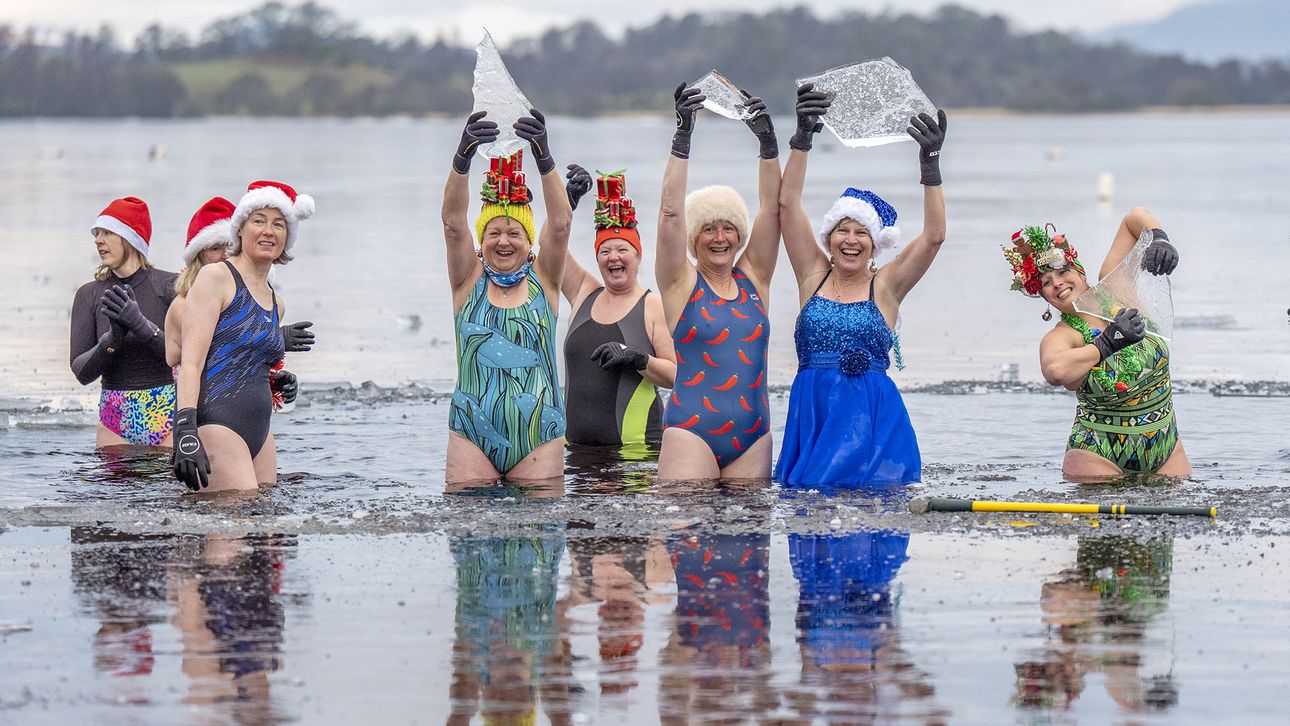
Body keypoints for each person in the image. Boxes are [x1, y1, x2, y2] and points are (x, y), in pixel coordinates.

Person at [775, 84, 949, 489]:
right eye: (842, 231)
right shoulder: (811, 275)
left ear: (874, 245)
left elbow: (934, 236)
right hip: (815, 417)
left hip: (873, 423)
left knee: (872, 515)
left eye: (861, 233)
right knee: (809, 509)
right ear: (828, 239)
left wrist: (931, 165)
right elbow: (786, 206)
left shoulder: (886, 286)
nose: (850, 240)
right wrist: (801, 139)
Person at [1003, 208, 1189, 480]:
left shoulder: (1118, 291)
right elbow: (1054, 370)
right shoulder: (1064, 336)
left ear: (1079, 271)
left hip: (1167, 448)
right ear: (1044, 297)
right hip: (1099, 454)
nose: (1058, 284)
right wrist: (1105, 345)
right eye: (1046, 283)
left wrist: (1160, 238)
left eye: (1062, 271)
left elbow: (1132, 220)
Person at [655, 83, 782, 481]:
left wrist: (768, 144)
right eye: (708, 229)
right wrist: (683, 136)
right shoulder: (680, 283)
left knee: (747, 540)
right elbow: (670, 215)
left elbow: (772, 212)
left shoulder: (754, 278)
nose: (720, 237)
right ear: (694, 239)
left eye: (729, 228)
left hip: (753, 436)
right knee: (687, 538)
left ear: (740, 235)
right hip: (692, 432)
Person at [441, 109, 572, 483]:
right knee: (469, 532)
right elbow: (452, 224)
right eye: (493, 232)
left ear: (530, 242)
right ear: (480, 242)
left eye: (514, 233)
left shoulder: (545, 281)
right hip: (470, 431)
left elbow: (561, 225)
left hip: (540, 433)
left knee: (538, 536)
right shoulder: (467, 281)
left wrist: (544, 157)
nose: (503, 240)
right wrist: (462, 156)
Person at [172, 181, 315, 491]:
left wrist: (276, 382)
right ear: (239, 229)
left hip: (260, 434)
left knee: (270, 532)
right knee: (232, 525)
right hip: (217, 423)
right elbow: (191, 363)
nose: (269, 231)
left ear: (288, 236)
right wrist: (185, 429)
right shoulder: (217, 277)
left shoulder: (276, 301)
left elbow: (244, 360)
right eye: (259, 220)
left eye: (279, 224)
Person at [560, 165, 676, 448]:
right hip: (576, 452)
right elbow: (549, 252)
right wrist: (567, 205)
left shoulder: (652, 305)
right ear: (597, 257)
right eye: (605, 251)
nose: (614, 257)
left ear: (637, 256)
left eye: (622, 250)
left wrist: (637, 358)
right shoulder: (583, 292)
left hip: (634, 456)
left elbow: (675, 375)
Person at [166, 197, 311, 409]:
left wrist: (272, 380)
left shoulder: (266, 300)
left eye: (230, 247)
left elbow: (241, 362)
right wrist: (276, 335)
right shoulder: (184, 303)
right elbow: (197, 357)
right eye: (215, 249)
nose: (225, 255)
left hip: (246, 413)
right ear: (197, 256)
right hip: (188, 408)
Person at [70, 196, 178, 448]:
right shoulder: (89, 295)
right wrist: (112, 339)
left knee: (165, 486)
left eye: (107, 232)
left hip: (168, 417)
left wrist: (140, 324)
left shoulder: (170, 287)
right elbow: (82, 373)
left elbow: (186, 357)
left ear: (130, 239)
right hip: (114, 422)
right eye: (97, 233)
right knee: (114, 489)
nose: (98, 239)